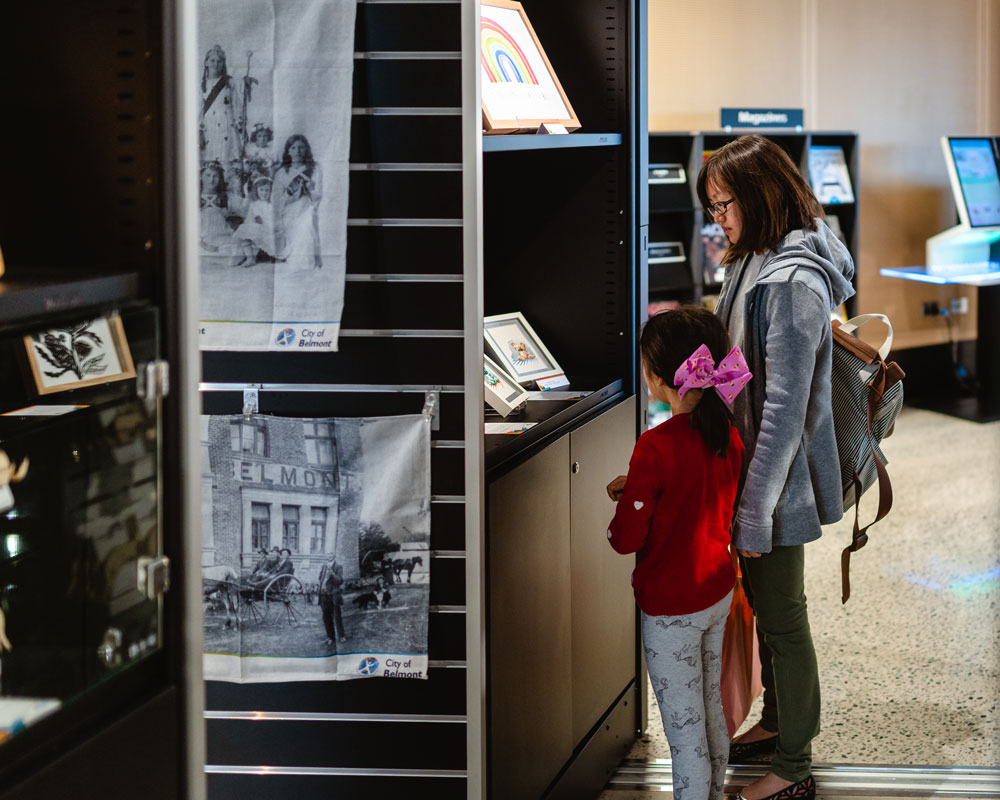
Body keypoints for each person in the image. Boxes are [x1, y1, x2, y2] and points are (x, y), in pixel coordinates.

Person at [696, 134, 856, 800]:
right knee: (766, 605)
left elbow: (786, 409)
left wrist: (754, 507)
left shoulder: (792, 281)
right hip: (750, 469)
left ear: (760, 196)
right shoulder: (754, 259)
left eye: (725, 204)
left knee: (784, 614)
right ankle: (776, 722)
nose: (719, 219)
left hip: (774, 479)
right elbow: (743, 368)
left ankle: (794, 765)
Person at [606, 306, 749, 800]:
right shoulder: (726, 434)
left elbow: (626, 538)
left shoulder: (655, 447)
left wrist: (628, 505)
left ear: (659, 377)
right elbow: (700, 494)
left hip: (671, 607)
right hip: (715, 590)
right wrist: (641, 489)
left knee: (683, 735)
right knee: (710, 711)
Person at [273, 133, 323, 270]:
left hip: (307, 208)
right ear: (288, 151)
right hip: (289, 212)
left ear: (306, 149)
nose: (297, 151)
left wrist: (309, 190)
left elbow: (319, 193)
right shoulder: (281, 173)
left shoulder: (314, 169)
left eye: (301, 147)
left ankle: (307, 264)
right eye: (293, 148)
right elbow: (277, 200)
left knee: (307, 229)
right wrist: (292, 197)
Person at [199, 45, 243, 168]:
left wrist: (241, 124)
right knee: (209, 159)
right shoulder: (202, 84)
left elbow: (236, 105)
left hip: (227, 124)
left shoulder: (229, 82)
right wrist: (199, 131)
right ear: (206, 62)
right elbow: (198, 110)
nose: (216, 64)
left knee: (227, 159)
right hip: (209, 125)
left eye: (219, 61)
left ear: (223, 64)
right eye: (212, 60)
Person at [232, 174, 276, 267]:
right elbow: (252, 219)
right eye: (261, 190)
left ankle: (268, 254)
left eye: (267, 190)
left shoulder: (272, 204)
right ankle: (250, 258)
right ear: (256, 190)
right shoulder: (254, 204)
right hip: (261, 228)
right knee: (243, 230)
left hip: (271, 229)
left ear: (271, 191)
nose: (264, 193)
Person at [317, 552, 346, 645]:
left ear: (334, 556)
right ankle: (330, 637)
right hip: (323, 595)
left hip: (333, 595)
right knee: (326, 617)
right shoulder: (324, 566)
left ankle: (341, 636)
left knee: (337, 617)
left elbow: (340, 580)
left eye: (331, 554)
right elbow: (320, 578)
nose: (329, 556)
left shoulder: (338, 566)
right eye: (327, 554)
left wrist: (332, 573)